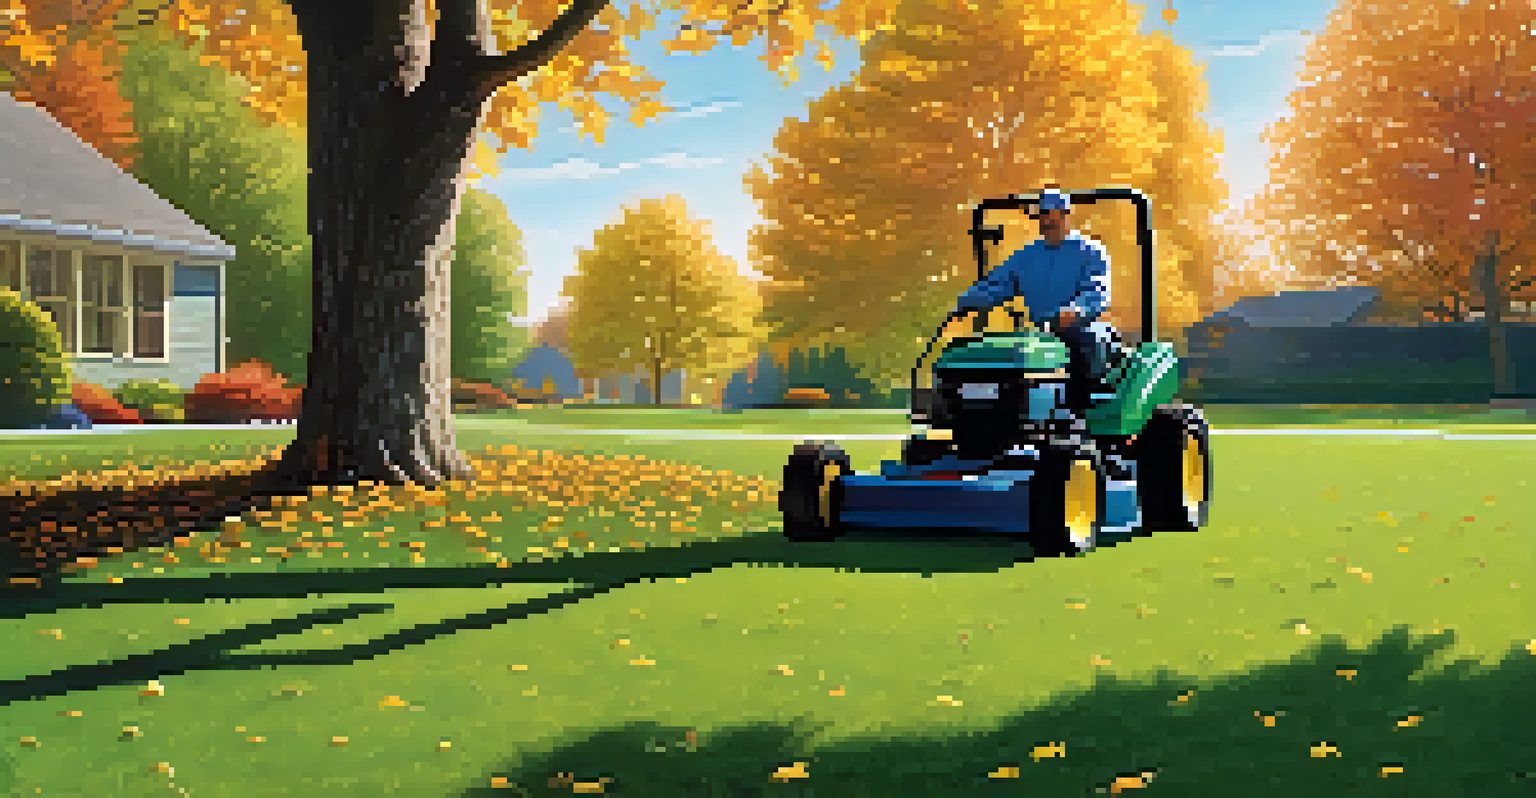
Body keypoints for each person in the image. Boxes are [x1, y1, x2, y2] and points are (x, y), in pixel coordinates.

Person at [953, 186, 1124, 407]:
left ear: (1066, 215)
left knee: (1085, 343)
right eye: (1043, 215)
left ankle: (1079, 408)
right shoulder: (1026, 256)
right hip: (1042, 330)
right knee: (996, 351)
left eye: (1052, 215)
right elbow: (998, 285)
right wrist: (965, 301)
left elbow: (1097, 289)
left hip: (1081, 326)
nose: (1047, 221)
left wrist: (1077, 309)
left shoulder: (1090, 251)